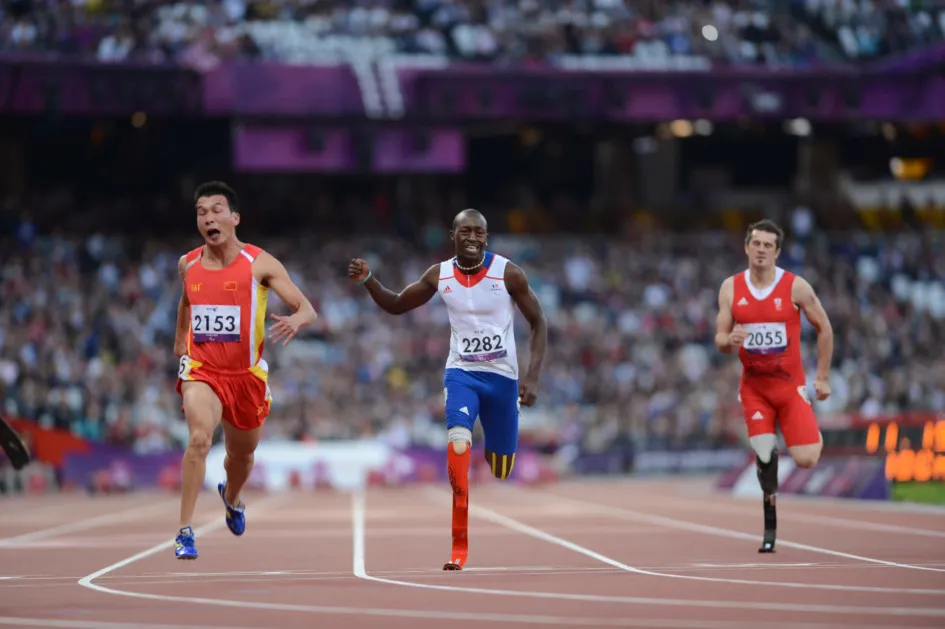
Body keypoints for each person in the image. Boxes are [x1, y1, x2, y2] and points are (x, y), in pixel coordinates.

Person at [348, 209, 547, 571]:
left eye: (480, 233)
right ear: (452, 235)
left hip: (502, 378)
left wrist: (531, 377)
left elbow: (539, 322)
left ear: (486, 238)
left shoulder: (508, 273)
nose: (473, 238)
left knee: (501, 468)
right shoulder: (439, 275)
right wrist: (369, 280)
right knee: (458, 445)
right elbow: (396, 304)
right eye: (466, 232)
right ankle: (459, 547)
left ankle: (499, 437)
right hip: (462, 374)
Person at [173, 181, 318, 559]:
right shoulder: (187, 264)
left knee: (242, 457)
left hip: (246, 377)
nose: (208, 217)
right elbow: (186, 303)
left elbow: (307, 308)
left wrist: (296, 321)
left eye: (216, 210)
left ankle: (232, 496)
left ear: (235, 218)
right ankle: (185, 531)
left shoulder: (260, 264)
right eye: (201, 212)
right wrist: (179, 341)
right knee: (200, 439)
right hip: (202, 370)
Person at [715, 219, 834, 553]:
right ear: (746, 247)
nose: (761, 250)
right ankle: (770, 526)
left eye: (768, 245)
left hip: (789, 385)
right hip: (754, 388)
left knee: (807, 458)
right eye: (756, 244)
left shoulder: (796, 287)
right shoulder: (730, 288)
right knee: (765, 455)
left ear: (777, 252)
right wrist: (730, 338)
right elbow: (720, 339)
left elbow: (825, 327)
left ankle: (808, 432)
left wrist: (822, 377)